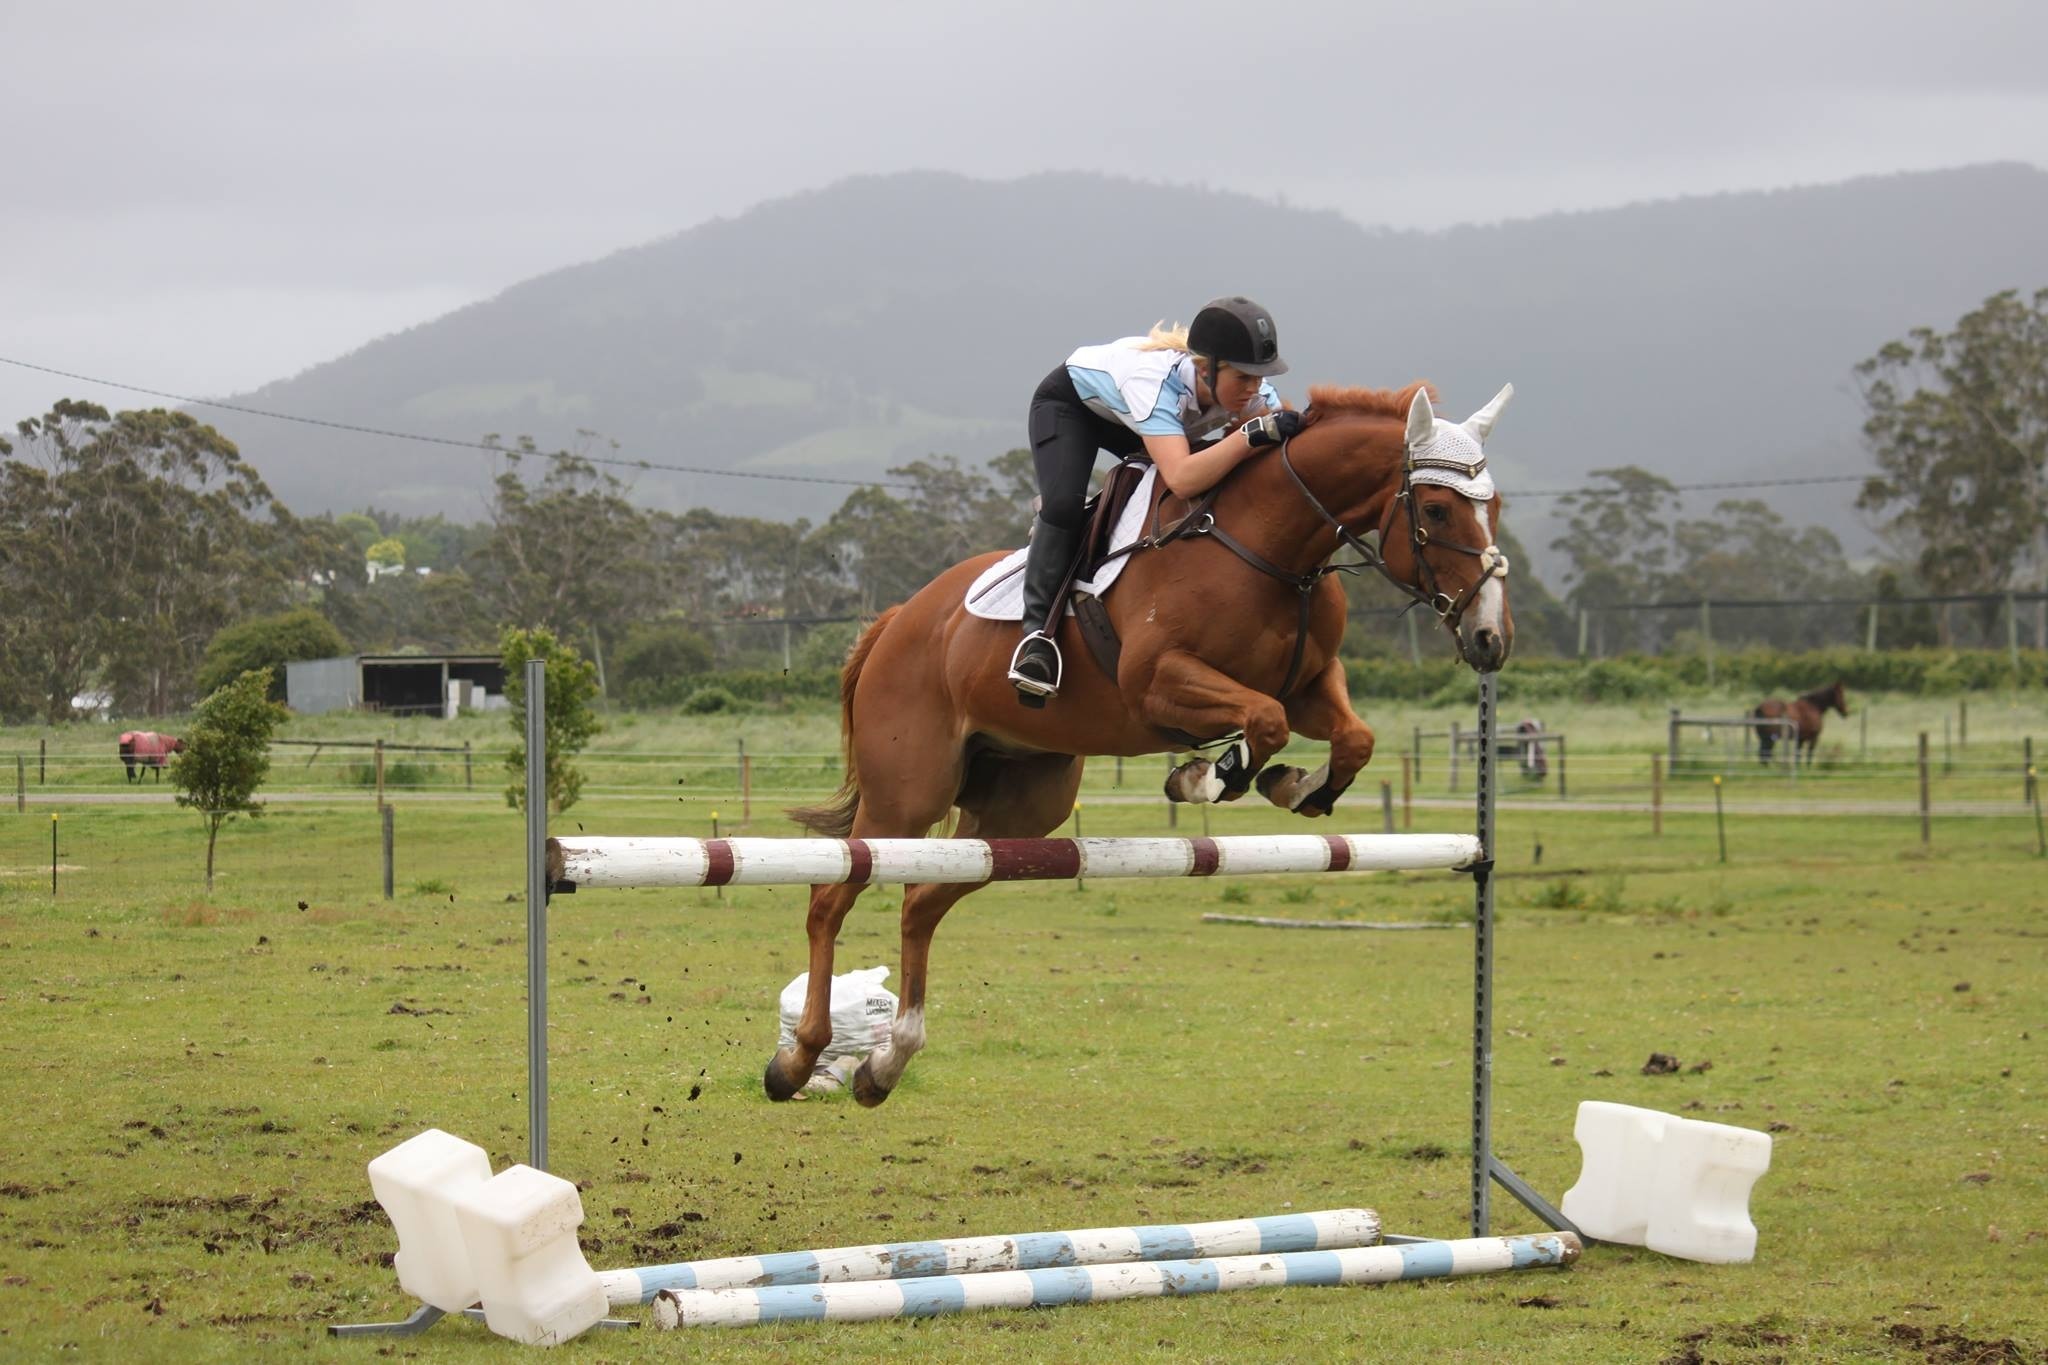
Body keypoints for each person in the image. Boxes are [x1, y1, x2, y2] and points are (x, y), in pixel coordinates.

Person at [1008, 295, 1301, 704]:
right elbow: (1181, 478)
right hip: (1072, 407)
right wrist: (1248, 436)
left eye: (1259, 378)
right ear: (1205, 368)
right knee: (1065, 507)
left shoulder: (1252, 391)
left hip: (1147, 419)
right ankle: (1036, 637)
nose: (1254, 389)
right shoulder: (1154, 383)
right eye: (1243, 378)